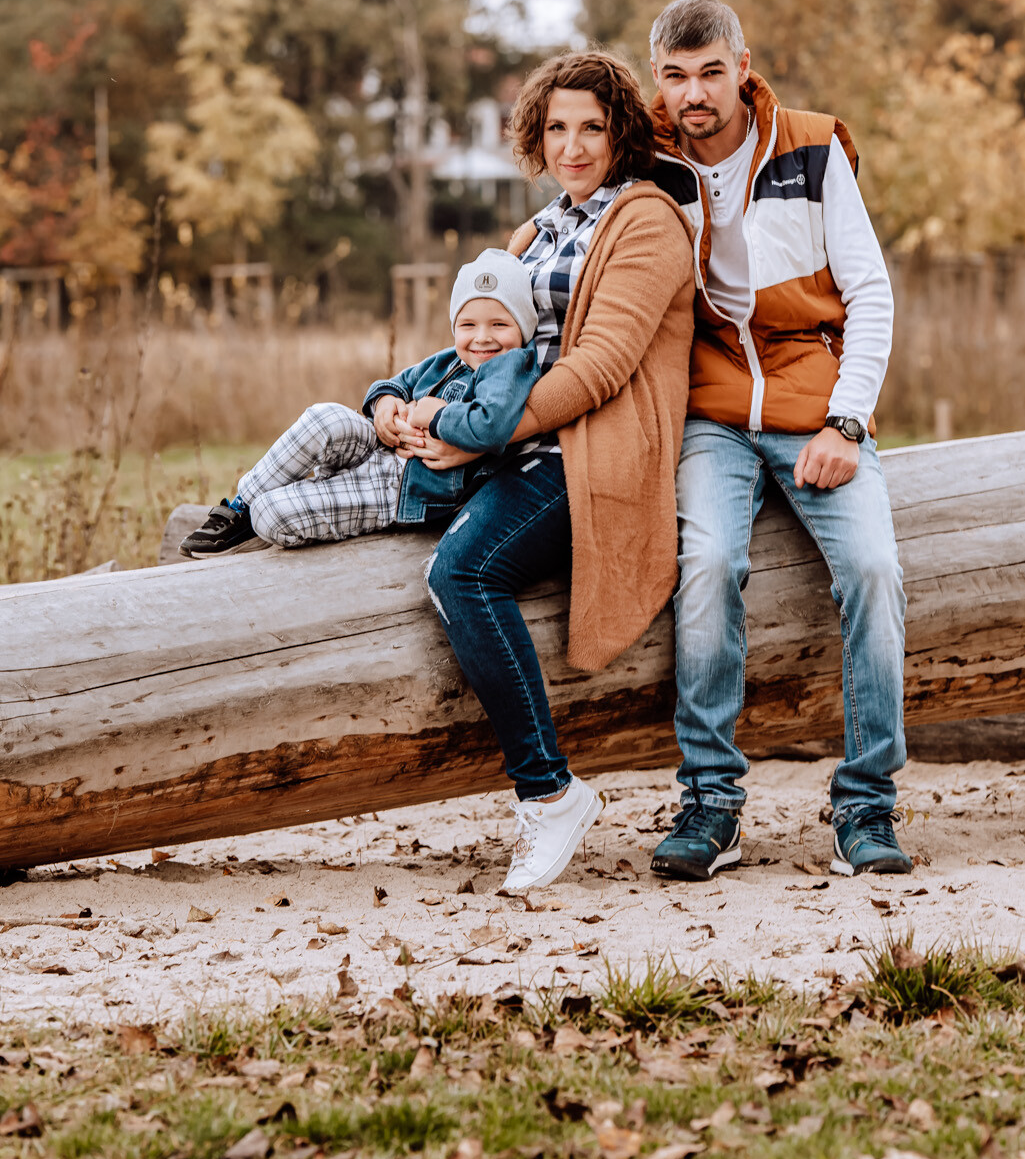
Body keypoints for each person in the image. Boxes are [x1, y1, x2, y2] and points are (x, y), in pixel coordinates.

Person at [413, 50, 695, 896]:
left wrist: (478, 437)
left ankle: (549, 793)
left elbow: (602, 364)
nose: (572, 146)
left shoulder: (646, 222)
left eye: (592, 128)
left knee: (462, 571)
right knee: (349, 468)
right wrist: (402, 404)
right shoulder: (537, 232)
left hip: (591, 455)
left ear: (621, 135)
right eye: (556, 128)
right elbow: (484, 346)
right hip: (514, 444)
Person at [645, 0, 909, 881]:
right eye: (676, 76)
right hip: (710, 411)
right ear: (657, 79)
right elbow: (565, 227)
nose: (694, 93)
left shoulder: (810, 147)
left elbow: (869, 294)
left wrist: (846, 421)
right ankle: (710, 803)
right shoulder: (645, 163)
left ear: (742, 67)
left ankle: (865, 806)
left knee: (872, 569)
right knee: (707, 565)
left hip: (814, 404)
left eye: (710, 72)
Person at [176, 250, 543, 555]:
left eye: (499, 325)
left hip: (398, 490)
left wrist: (437, 415)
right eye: (468, 325)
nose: (482, 337)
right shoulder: (451, 359)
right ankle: (239, 507)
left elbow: (491, 424)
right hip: (378, 448)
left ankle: (261, 519)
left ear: (523, 327)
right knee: (323, 418)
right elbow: (397, 383)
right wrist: (384, 405)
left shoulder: (511, 367)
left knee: (271, 513)